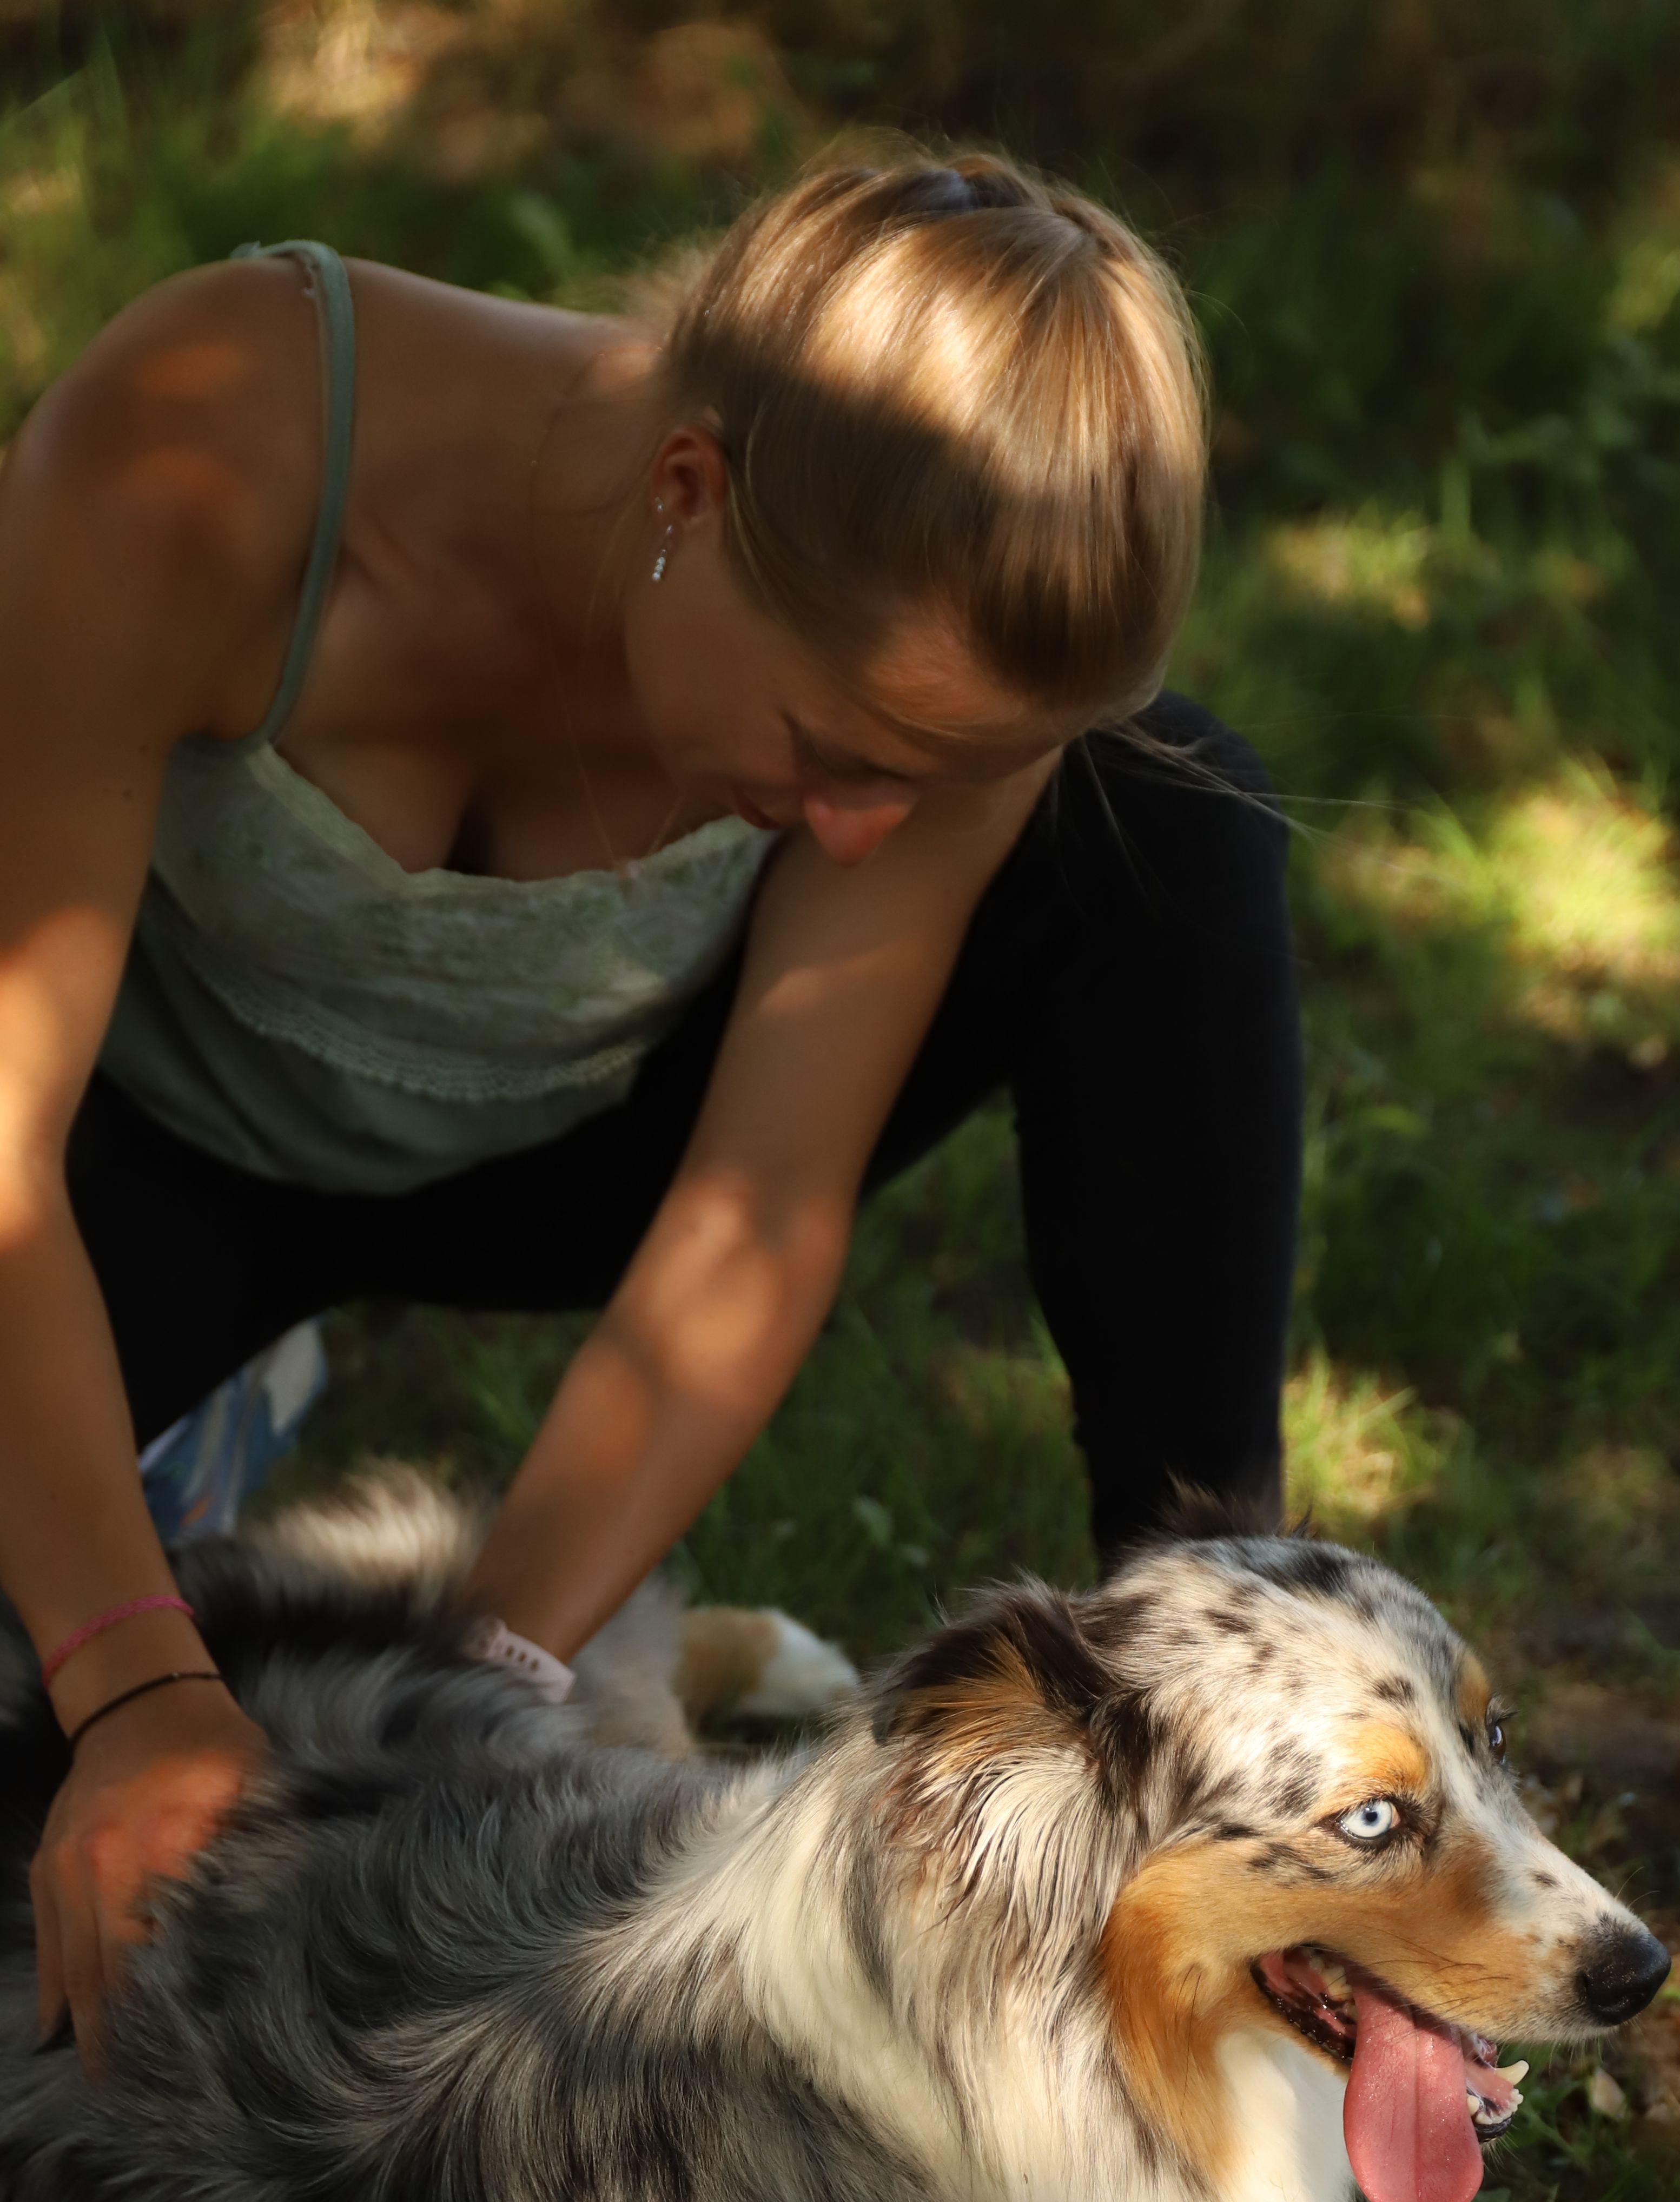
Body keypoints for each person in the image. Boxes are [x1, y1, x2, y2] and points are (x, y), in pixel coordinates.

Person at [0, 149, 1302, 2065]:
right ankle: (201, 1417)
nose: (866, 831)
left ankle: (1225, 1694)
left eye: (936, 785)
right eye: (835, 756)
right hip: (141, 1151)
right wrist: (128, 1686)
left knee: (1175, 813)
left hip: (571, 1130)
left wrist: (484, 1694)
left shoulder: (932, 666)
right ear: (688, 490)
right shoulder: (213, 444)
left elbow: (754, 1211)